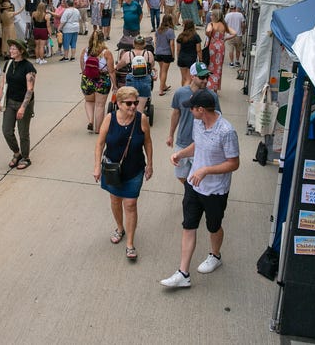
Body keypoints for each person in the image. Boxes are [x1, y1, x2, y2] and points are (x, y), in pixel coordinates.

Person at [160, 89, 239, 288]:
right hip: (193, 185)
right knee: (188, 225)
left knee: (213, 226)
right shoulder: (198, 122)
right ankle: (183, 273)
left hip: (215, 190)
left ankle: (215, 255)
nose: (189, 111)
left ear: (201, 109)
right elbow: (198, 145)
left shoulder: (227, 131)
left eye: (192, 108)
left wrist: (206, 170)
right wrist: (181, 154)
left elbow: (234, 163)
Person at [93, 86, 153, 260]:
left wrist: (150, 164)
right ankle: (120, 228)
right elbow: (99, 144)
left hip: (135, 169)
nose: (133, 106)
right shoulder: (109, 119)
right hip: (113, 170)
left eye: (135, 103)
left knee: (131, 204)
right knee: (115, 200)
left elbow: (148, 143)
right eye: (128, 103)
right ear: (118, 104)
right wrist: (97, 166)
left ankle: (130, 243)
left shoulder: (142, 119)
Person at [167, 62, 220, 184]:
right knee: (181, 175)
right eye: (202, 77)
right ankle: (190, 191)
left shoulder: (211, 96)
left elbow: (217, 118)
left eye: (207, 77)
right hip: (183, 142)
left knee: (200, 177)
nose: (205, 80)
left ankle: (192, 196)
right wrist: (170, 134)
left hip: (202, 144)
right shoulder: (180, 93)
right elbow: (176, 113)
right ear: (192, 77)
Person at [0, 39, 36, 170]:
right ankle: (17, 153)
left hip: (24, 103)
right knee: (6, 131)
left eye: (14, 48)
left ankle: (25, 157)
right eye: (11, 48)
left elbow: (30, 89)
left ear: (21, 51)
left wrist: (23, 108)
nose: (11, 50)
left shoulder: (28, 67)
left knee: (23, 132)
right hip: (10, 102)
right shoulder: (8, 64)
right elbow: (3, 83)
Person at [79, 31, 116, 133]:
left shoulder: (85, 51)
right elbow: (111, 71)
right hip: (102, 81)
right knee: (100, 105)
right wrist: (115, 85)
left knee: (89, 101)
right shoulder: (106, 53)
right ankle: (98, 129)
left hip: (87, 80)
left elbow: (83, 68)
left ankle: (90, 121)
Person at [115, 36, 156, 113]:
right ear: (144, 44)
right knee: (140, 109)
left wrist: (116, 67)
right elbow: (152, 65)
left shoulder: (128, 54)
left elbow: (119, 66)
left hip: (131, 80)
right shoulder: (148, 54)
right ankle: (138, 122)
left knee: (130, 106)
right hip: (145, 80)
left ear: (133, 44)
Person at [205, 9, 236, 92]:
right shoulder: (223, 25)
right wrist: (224, 38)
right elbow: (234, 33)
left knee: (210, 65)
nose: (210, 16)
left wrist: (210, 35)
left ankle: (209, 85)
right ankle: (215, 87)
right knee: (218, 67)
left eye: (212, 15)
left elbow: (208, 30)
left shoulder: (211, 24)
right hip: (221, 46)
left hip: (212, 45)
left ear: (215, 16)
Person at [154, 14, 176, 95]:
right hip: (166, 53)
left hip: (159, 52)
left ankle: (164, 85)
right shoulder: (170, 31)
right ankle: (161, 89)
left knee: (161, 70)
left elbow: (155, 41)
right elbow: (172, 44)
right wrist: (173, 54)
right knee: (164, 71)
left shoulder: (158, 30)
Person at [176, 19, 203, 86]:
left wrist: (178, 57)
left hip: (182, 58)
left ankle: (182, 91)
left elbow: (178, 49)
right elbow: (198, 50)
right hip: (191, 58)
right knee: (189, 79)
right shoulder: (196, 36)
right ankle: (187, 92)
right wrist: (201, 59)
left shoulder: (181, 36)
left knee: (183, 78)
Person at [224, 1, 246, 68]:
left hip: (230, 35)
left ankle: (231, 62)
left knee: (231, 50)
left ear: (230, 8)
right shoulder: (240, 15)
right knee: (238, 49)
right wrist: (243, 31)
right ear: (236, 7)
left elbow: (225, 25)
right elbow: (243, 24)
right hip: (238, 34)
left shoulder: (227, 15)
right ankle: (237, 61)